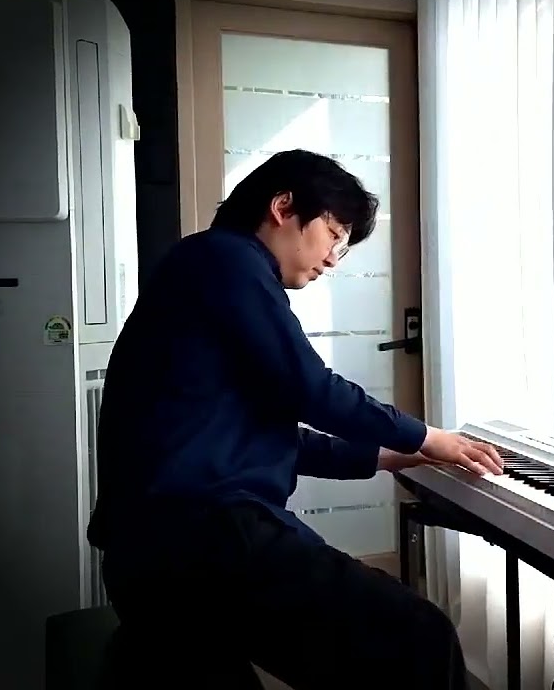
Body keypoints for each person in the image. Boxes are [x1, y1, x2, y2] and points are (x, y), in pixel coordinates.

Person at [87, 149, 503, 689]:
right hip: (199, 539)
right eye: (333, 234)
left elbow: (272, 436)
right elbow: (312, 389)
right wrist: (427, 435)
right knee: (418, 636)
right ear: (283, 207)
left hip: (156, 554)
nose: (333, 259)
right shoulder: (226, 260)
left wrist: (390, 455)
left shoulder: (206, 270)